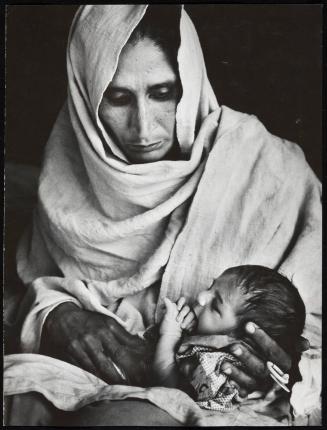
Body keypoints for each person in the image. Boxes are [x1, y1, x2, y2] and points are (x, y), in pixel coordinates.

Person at [4, 4, 321, 426]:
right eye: (118, 98)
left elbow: (313, 326)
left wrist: (287, 367)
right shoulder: (67, 181)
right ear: (83, 97)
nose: (144, 128)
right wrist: (58, 316)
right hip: (89, 383)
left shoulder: (271, 171)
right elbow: (28, 289)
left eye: (163, 93)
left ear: (190, 83)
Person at [153, 265, 306, 412]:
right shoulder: (213, 347)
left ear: (243, 340)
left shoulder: (215, 368)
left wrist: (170, 335)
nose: (200, 297)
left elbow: (169, 392)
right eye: (210, 288)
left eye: (215, 306)